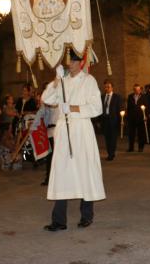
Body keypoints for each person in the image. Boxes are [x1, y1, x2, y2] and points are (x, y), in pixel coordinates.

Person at [41, 50, 105, 231]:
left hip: (82, 129)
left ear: (81, 63)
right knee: (62, 172)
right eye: (68, 61)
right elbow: (46, 99)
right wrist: (56, 80)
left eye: (73, 61)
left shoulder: (89, 81)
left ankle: (87, 215)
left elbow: (96, 108)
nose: (69, 64)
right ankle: (59, 220)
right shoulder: (63, 81)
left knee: (84, 169)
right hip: (63, 130)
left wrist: (74, 108)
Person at [100, 80, 122, 161]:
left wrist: (121, 120)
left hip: (113, 120)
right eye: (105, 87)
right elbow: (100, 109)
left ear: (112, 88)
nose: (106, 88)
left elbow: (120, 109)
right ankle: (109, 152)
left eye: (108, 87)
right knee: (107, 138)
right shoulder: (102, 97)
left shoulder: (117, 97)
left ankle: (111, 154)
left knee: (113, 138)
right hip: (105, 119)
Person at [126, 84, 147, 152]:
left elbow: (146, 106)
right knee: (131, 133)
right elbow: (128, 107)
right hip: (132, 118)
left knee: (141, 133)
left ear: (140, 90)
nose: (137, 91)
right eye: (135, 90)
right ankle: (131, 147)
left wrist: (146, 115)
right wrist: (128, 116)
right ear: (133, 90)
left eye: (138, 90)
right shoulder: (130, 96)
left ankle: (140, 147)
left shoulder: (144, 97)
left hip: (140, 117)